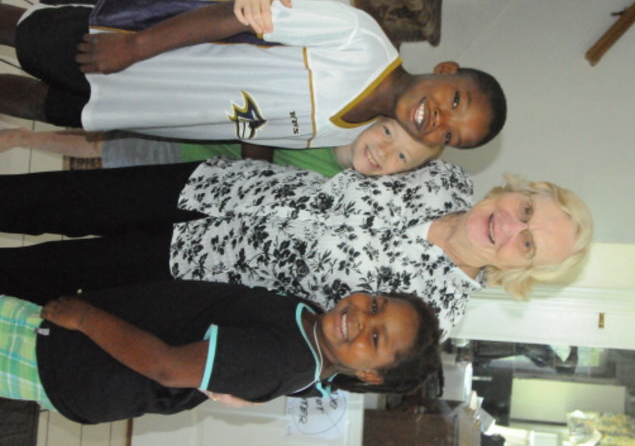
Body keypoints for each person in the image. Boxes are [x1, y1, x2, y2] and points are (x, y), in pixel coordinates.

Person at [0, 158, 593, 338]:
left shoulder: (434, 315)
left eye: (527, 244)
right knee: (54, 197)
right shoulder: (447, 176)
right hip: (217, 187)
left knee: (52, 270)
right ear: (515, 190)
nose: (509, 227)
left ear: (521, 273)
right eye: (525, 210)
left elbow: (330, 351)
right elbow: (356, 152)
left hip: (199, 270)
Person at [0, 0, 507, 154]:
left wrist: (256, 171)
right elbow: (237, 16)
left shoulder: (348, 132)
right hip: (136, 55)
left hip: (136, 108)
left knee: (33, 103)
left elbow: (257, 125)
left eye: (450, 136)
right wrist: (134, 46)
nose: (439, 121)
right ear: (446, 70)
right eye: (455, 102)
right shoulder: (361, 39)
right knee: (24, 35)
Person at [0, 280, 442, 424]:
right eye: (376, 305)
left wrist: (85, 319)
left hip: (73, 363)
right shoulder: (311, 334)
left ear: (370, 376)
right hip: (76, 350)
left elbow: (167, 368)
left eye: (376, 339)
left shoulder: (285, 359)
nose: (362, 318)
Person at [0, 115, 443, 176]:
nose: (384, 152)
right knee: (103, 133)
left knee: (107, 151)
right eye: (388, 133)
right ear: (377, 120)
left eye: (402, 157)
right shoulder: (329, 119)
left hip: (188, 167)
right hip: (196, 123)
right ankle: (23, 134)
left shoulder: (334, 186)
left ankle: (22, 137)